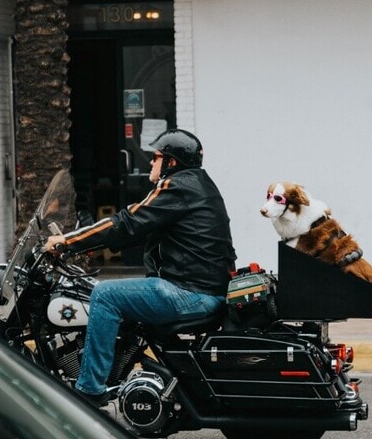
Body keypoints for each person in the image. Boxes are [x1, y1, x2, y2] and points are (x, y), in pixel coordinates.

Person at [44, 128, 237, 406]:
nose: (151, 163)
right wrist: (88, 244)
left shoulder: (177, 186)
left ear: (172, 162)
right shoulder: (198, 184)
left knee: (105, 295)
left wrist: (67, 241)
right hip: (202, 288)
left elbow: (127, 222)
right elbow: (139, 228)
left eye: (155, 157)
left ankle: (89, 390)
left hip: (191, 292)